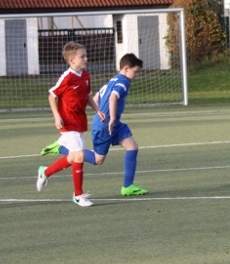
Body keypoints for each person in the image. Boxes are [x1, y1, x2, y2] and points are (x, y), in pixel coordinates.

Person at [41, 54, 149, 196]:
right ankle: (62, 148)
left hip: (111, 123)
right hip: (106, 125)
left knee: (132, 147)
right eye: (135, 71)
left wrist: (101, 113)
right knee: (98, 160)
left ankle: (128, 186)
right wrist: (110, 119)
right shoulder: (124, 82)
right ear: (126, 68)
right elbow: (112, 97)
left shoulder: (113, 79)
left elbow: (97, 97)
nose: (136, 75)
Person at [36, 42, 103, 207]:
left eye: (85, 55)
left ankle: (45, 172)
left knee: (73, 157)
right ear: (72, 60)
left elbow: (87, 95)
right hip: (67, 121)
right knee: (79, 155)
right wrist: (56, 116)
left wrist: (97, 110)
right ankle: (78, 195)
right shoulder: (67, 77)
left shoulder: (85, 75)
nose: (86, 59)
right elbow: (52, 95)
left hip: (79, 120)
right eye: (82, 56)